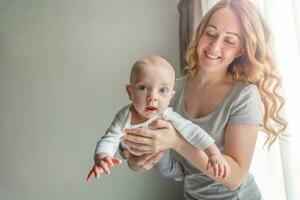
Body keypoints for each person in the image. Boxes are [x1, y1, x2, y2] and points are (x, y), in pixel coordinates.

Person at [120, 0, 287, 199]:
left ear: (240, 50)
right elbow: (178, 167)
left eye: (230, 41)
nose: (215, 46)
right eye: (211, 33)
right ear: (200, 35)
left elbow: (234, 178)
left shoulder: (243, 95)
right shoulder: (174, 90)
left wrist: (177, 142)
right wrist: (134, 157)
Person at [86, 55, 230, 182]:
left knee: (165, 169)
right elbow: (110, 139)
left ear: (170, 97)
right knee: (136, 159)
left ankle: (184, 173)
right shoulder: (124, 115)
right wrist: (102, 157)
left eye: (162, 90)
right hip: (132, 152)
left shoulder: (166, 114)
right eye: (143, 88)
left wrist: (214, 153)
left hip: (158, 152)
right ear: (130, 92)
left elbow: (193, 131)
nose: (153, 97)